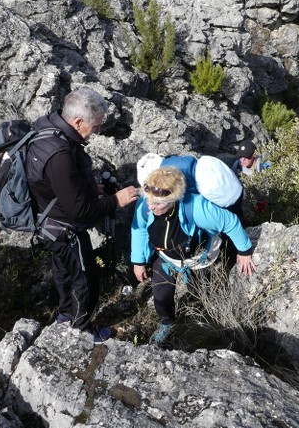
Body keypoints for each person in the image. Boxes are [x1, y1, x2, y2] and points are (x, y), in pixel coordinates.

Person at [27, 87, 139, 342]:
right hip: (65, 229)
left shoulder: (46, 129)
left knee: (64, 273)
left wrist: (91, 187)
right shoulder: (60, 155)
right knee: (85, 279)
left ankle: (65, 314)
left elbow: (57, 183)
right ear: (78, 122)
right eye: (96, 126)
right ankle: (83, 330)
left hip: (47, 222)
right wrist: (115, 201)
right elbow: (80, 212)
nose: (97, 131)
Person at [131, 166, 256, 345]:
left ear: (173, 199)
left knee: (199, 293)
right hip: (167, 259)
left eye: (157, 204)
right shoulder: (146, 204)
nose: (151, 206)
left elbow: (230, 222)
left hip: (198, 260)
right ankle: (166, 323)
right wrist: (138, 261)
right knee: (160, 296)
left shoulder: (197, 207)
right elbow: (139, 230)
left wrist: (244, 251)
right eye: (149, 200)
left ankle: (205, 320)